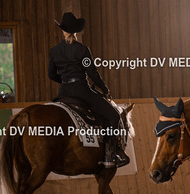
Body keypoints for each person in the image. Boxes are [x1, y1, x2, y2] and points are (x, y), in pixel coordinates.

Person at [48, 12, 129, 168]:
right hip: (81, 92)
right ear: (75, 31)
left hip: (63, 93)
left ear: (63, 30)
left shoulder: (54, 50)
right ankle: (110, 155)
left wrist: (64, 82)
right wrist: (104, 89)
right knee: (113, 116)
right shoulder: (82, 49)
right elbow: (92, 73)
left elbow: (51, 74)